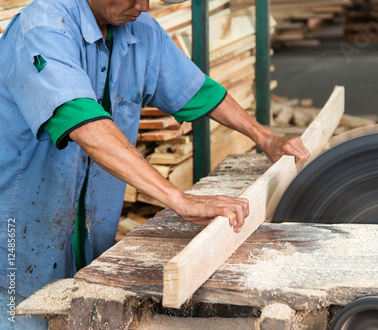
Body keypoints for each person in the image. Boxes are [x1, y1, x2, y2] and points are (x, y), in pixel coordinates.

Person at [0, 0, 309, 328]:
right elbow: (84, 123)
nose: (143, 5)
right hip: (17, 245)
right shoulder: (43, 27)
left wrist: (265, 138)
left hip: (90, 243)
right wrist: (180, 200)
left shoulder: (139, 31)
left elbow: (197, 92)